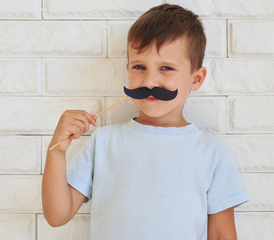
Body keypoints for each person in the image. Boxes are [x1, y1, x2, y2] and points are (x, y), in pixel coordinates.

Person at [42, 3, 249, 240]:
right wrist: (56, 151)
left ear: (196, 78)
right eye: (139, 67)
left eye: (166, 68)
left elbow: (222, 233)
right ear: (128, 69)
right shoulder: (104, 142)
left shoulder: (211, 152)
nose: (149, 81)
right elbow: (57, 216)